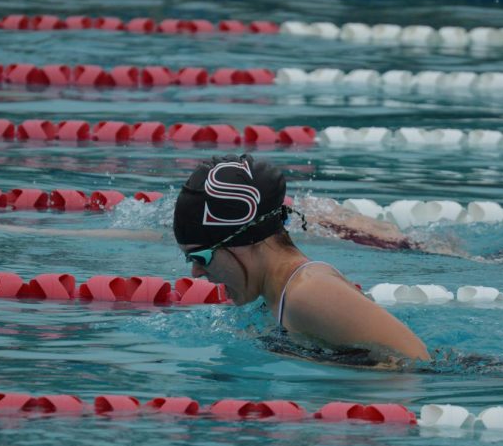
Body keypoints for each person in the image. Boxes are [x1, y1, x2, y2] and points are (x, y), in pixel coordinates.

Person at [173, 154, 431, 363]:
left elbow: (416, 366)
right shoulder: (280, 294)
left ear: (244, 240)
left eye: (201, 257)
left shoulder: (308, 292)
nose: (195, 272)